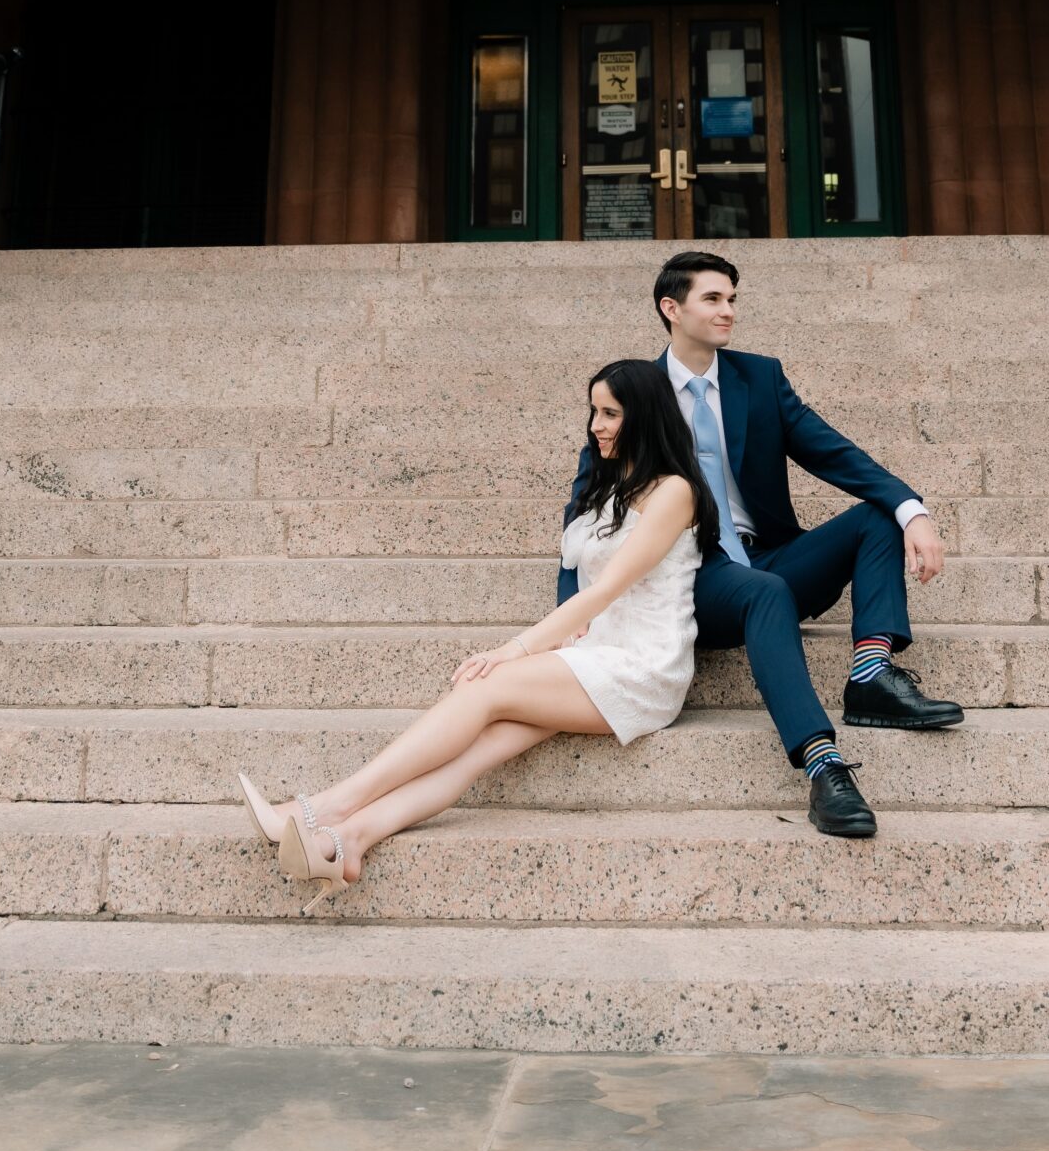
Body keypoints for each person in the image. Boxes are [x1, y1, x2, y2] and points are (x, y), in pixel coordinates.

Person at [237, 357, 721, 889]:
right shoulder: (611, 489)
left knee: (485, 686)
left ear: (645, 417)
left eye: (610, 413)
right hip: (598, 654)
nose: (596, 426)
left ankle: (320, 808)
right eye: (593, 412)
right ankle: (346, 842)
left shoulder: (674, 490)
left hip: (644, 667)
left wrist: (517, 650)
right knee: (477, 751)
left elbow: (609, 589)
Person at [556, 249, 964, 844]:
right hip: (693, 575)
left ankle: (872, 674)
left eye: (733, 299)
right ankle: (824, 766)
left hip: (766, 556)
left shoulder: (760, 377)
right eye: (713, 299)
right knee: (764, 592)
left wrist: (913, 510)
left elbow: (833, 452)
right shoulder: (632, 394)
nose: (729, 312)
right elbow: (582, 515)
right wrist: (574, 612)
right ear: (671, 309)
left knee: (877, 517)